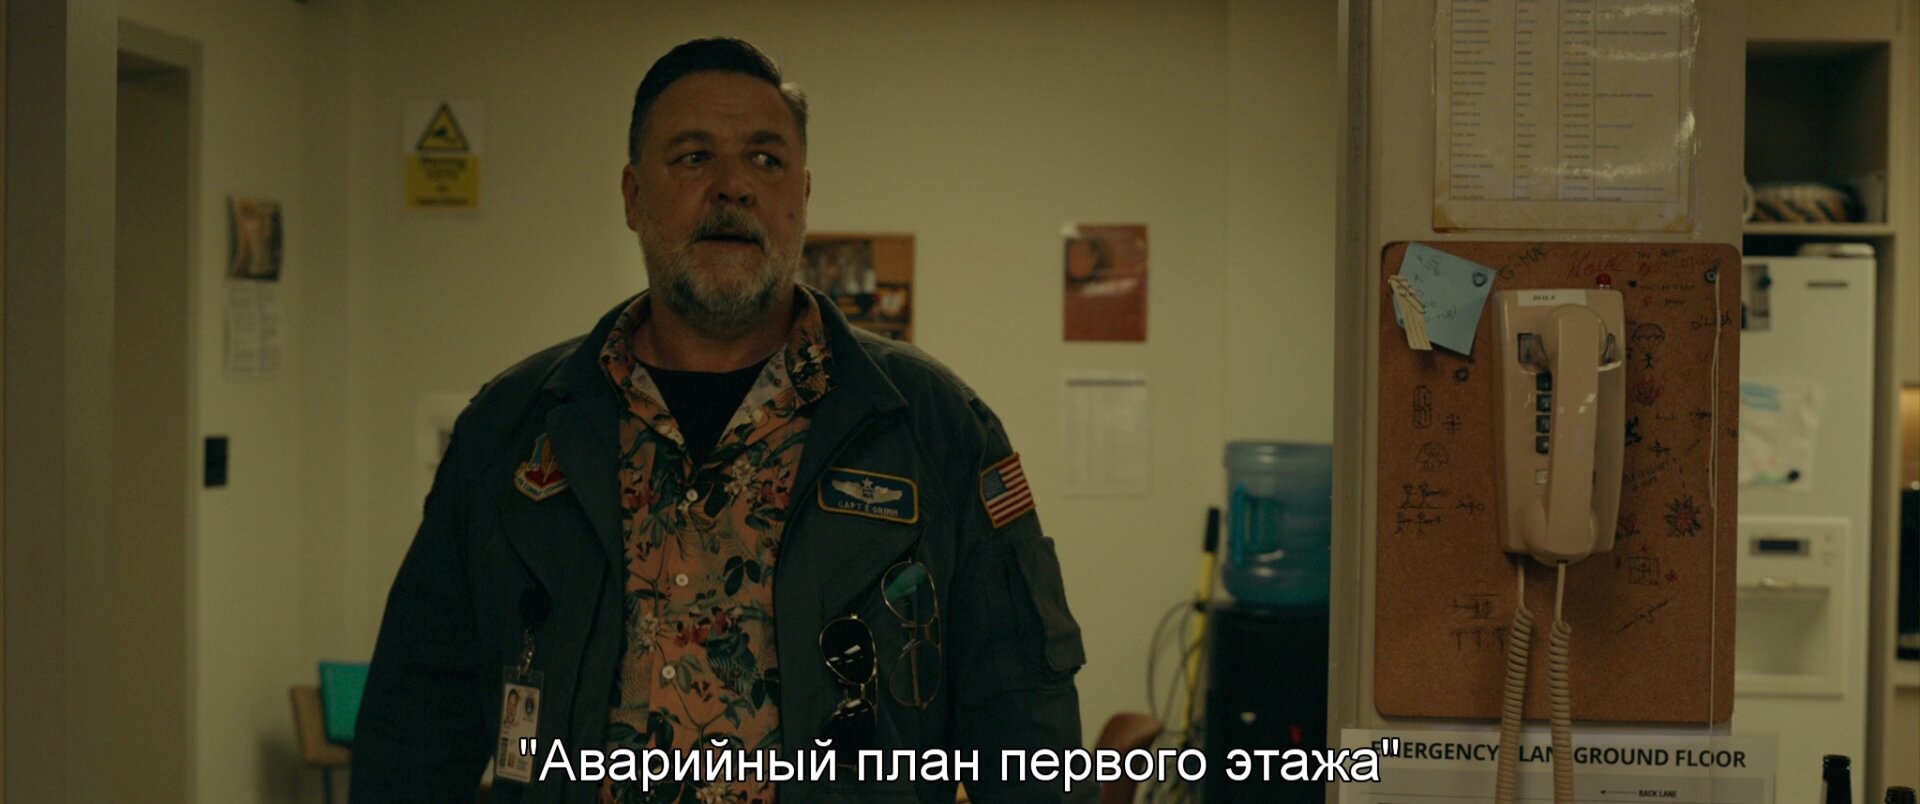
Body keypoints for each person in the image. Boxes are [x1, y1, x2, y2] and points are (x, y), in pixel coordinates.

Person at [351, 37, 1090, 804]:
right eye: (694, 157)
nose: (734, 186)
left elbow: (1029, 741)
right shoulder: (510, 430)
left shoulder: (935, 431)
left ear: (802, 195)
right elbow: (412, 732)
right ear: (633, 196)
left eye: (765, 160)